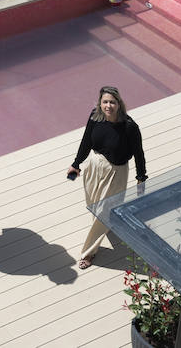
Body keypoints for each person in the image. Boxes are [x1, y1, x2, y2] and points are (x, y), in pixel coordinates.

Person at [68, 85, 147, 269]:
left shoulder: (129, 127)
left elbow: (139, 153)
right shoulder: (95, 116)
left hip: (116, 171)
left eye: (112, 102)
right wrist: (76, 164)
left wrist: (141, 177)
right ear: (100, 103)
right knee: (94, 206)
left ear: (119, 104)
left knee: (103, 210)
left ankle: (88, 253)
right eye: (105, 102)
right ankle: (105, 224)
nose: (108, 106)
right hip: (94, 166)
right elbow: (86, 141)